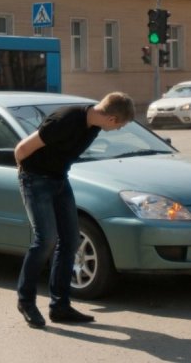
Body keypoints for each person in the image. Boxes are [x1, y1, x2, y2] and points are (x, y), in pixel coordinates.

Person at [13, 92, 136, 329]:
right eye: (121, 125)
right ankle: (26, 301)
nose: (119, 129)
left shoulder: (93, 125)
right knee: (45, 239)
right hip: (35, 179)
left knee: (70, 240)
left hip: (59, 180)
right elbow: (22, 149)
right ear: (111, 118)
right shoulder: (66, 119)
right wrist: (27, 177)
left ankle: (60, 306)